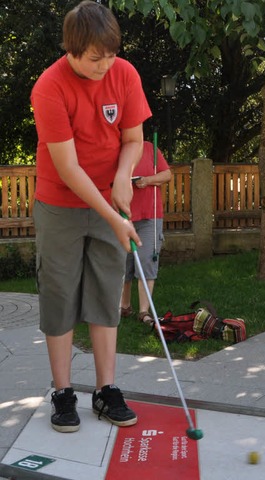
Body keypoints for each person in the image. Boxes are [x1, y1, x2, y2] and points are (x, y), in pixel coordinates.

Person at [30, 1, 151, 433]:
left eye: (111, 54)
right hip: (60, 205)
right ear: (72, 50)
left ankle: (105, 390)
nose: (106, 65)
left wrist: (122, 175)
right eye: (95, 58)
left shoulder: (125, 74)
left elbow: (133, 139)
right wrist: (115, 217)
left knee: (104, 292)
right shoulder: (49, 87)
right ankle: (63, 394)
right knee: (60, 294)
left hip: (108, 205)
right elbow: (68, 169)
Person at [119, 139, 172, 324]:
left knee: (147, 260)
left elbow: (167, 174)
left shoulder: (150, 148)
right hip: (123, 214)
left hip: (150, 215)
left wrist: (147, 181)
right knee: (124, 263)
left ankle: (144, 311)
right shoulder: (116, 149)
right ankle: (124, 306)